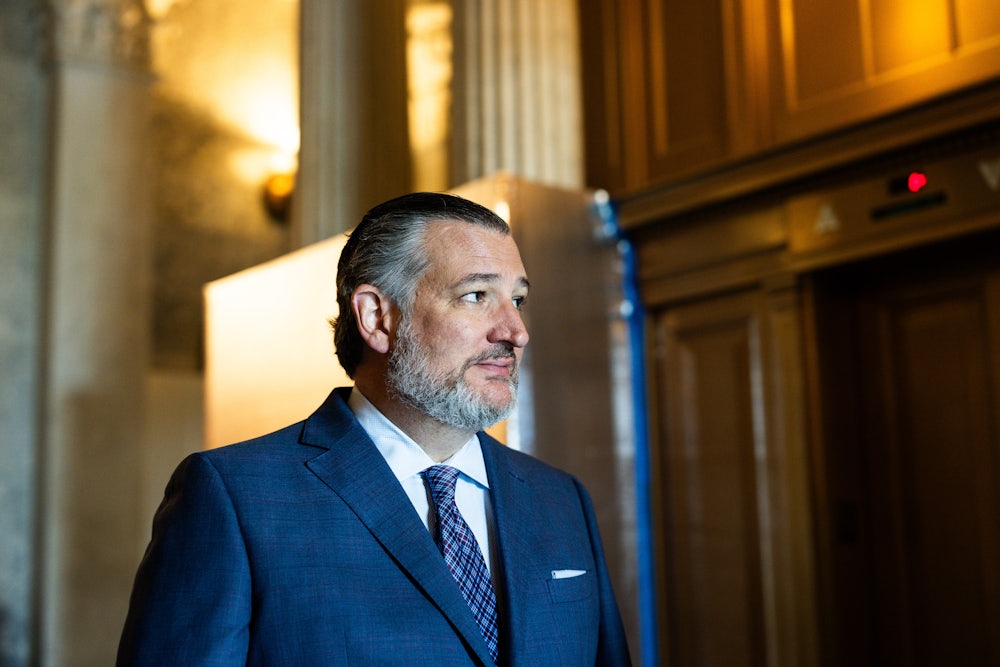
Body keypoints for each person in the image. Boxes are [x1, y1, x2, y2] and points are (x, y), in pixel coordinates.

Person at [117, 192, 632, 666]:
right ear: (377, 317)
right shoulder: (234, 497)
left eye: (517, 299)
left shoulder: (561, 500)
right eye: (476, 295)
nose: (515, 332)